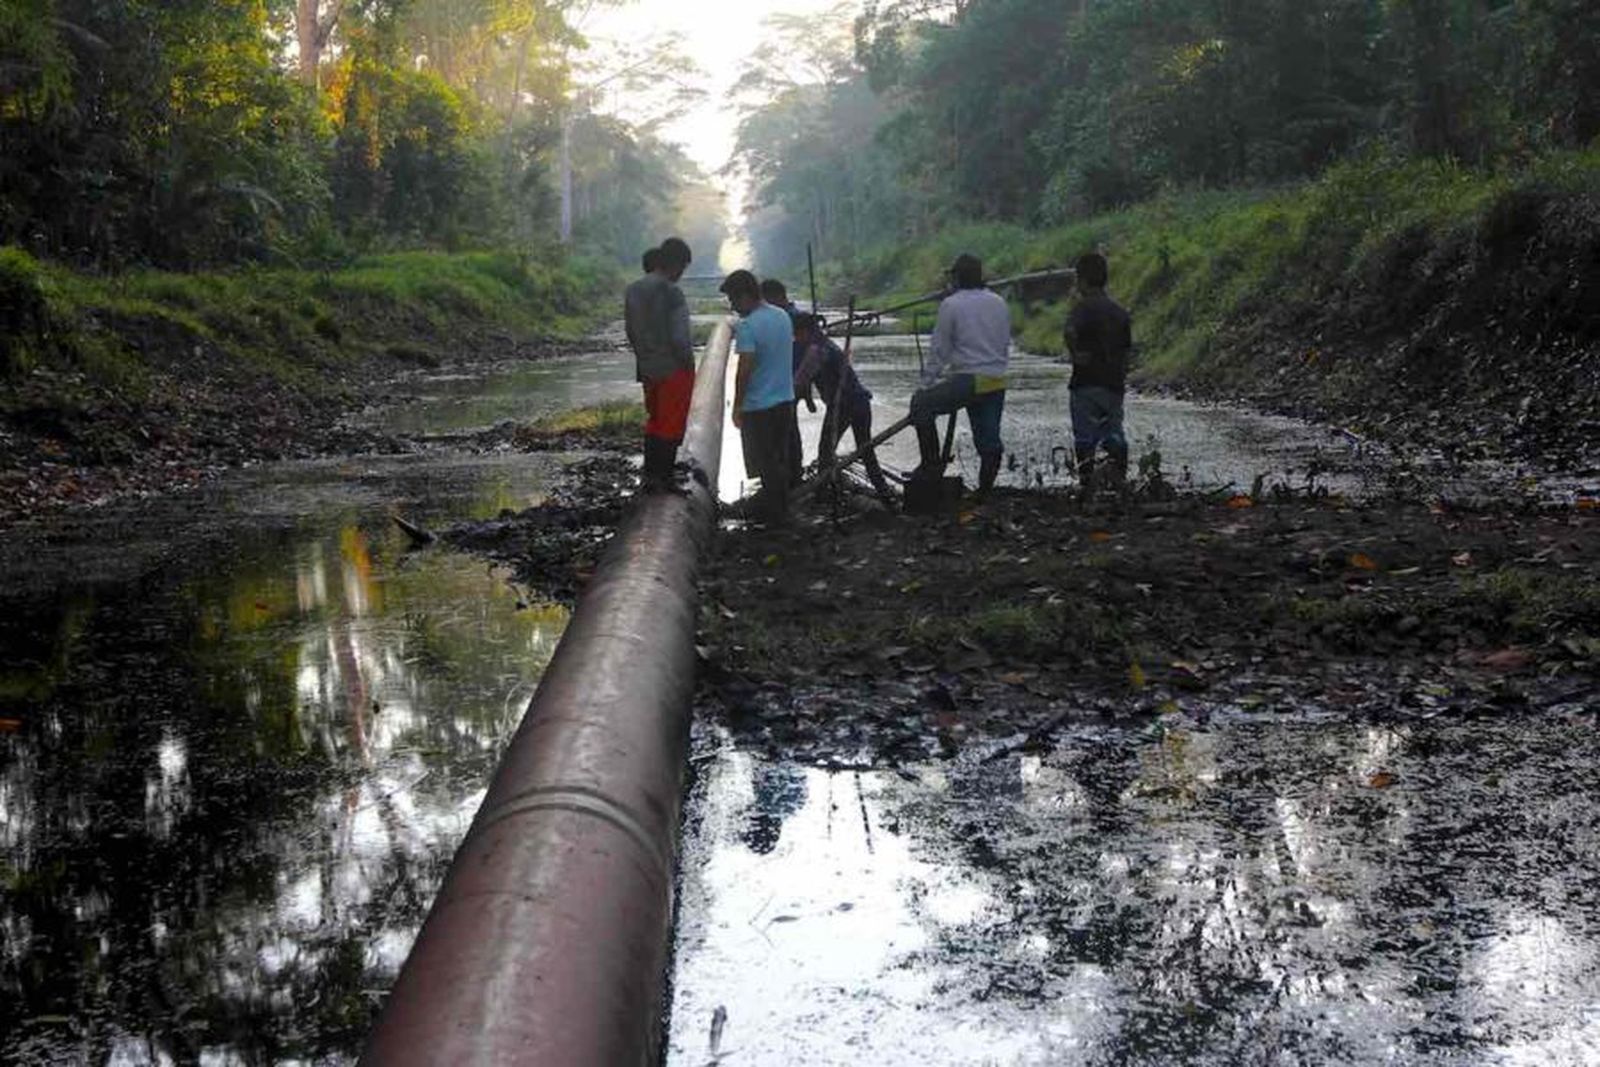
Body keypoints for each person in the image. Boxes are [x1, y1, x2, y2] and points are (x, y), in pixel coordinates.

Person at [909, 253, 1012, 494]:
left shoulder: (951, 305)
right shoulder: (999, 302)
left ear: (957, 279)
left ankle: (930, 466)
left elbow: (940, 350)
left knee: (921, 405)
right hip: (996, 380)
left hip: (969, 380)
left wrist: (925, 385)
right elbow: (1004, 342)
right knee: (989, 442)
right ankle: (984, 493)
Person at [720, 269, 796, 522]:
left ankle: (776, 515)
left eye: (733, 300)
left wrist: (736, 407)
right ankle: (778, 507)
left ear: (744, 295)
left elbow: (744, 370)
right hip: (785, 400)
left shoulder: (748, 326)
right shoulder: (782, 316)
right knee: (778, 459)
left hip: (758, 406)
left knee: (765, 462)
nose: (733, 306)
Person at [793, 312, 892, 499]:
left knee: (826, 451)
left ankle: (823, 494)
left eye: (796, 335)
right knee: (866, 450)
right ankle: (884, 492)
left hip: (843, 404)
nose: (796, 339)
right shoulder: (826, 344)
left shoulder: (817, 350)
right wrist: (808, 399)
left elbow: (800, 381)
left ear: (804, 331)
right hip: (860, 402)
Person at [623, 237, 694, 489]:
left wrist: (644, 357)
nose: (681, 274)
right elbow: (679, 337)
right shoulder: (671, 291)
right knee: (671, 424)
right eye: (683, 267)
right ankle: (665, 478)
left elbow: (631, 331)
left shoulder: (634, 290)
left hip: (647, 367)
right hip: (673, 368)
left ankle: (651, 476)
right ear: (675, 263)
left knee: (654, 421)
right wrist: (688, 365)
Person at [1064, 251, 1132, 490]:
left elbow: (1070, 333)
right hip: (1113, 384)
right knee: (1114, 431)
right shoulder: (1119, 312)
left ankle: (1086, 484)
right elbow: (1126, 351)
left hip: (1084, 383)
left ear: (1081, 280)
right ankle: (1119, 479)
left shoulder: (1080, 309)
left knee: (1085, 438)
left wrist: (1075, 354)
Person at [761, 278, 809, 485]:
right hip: (787, 381)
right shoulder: (789, 316)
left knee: (785, 431)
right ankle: (791, 474)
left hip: (789, 381)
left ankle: (790, 476)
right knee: (788, 430)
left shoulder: (791, 319)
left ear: (776, 297)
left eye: (766, 301)